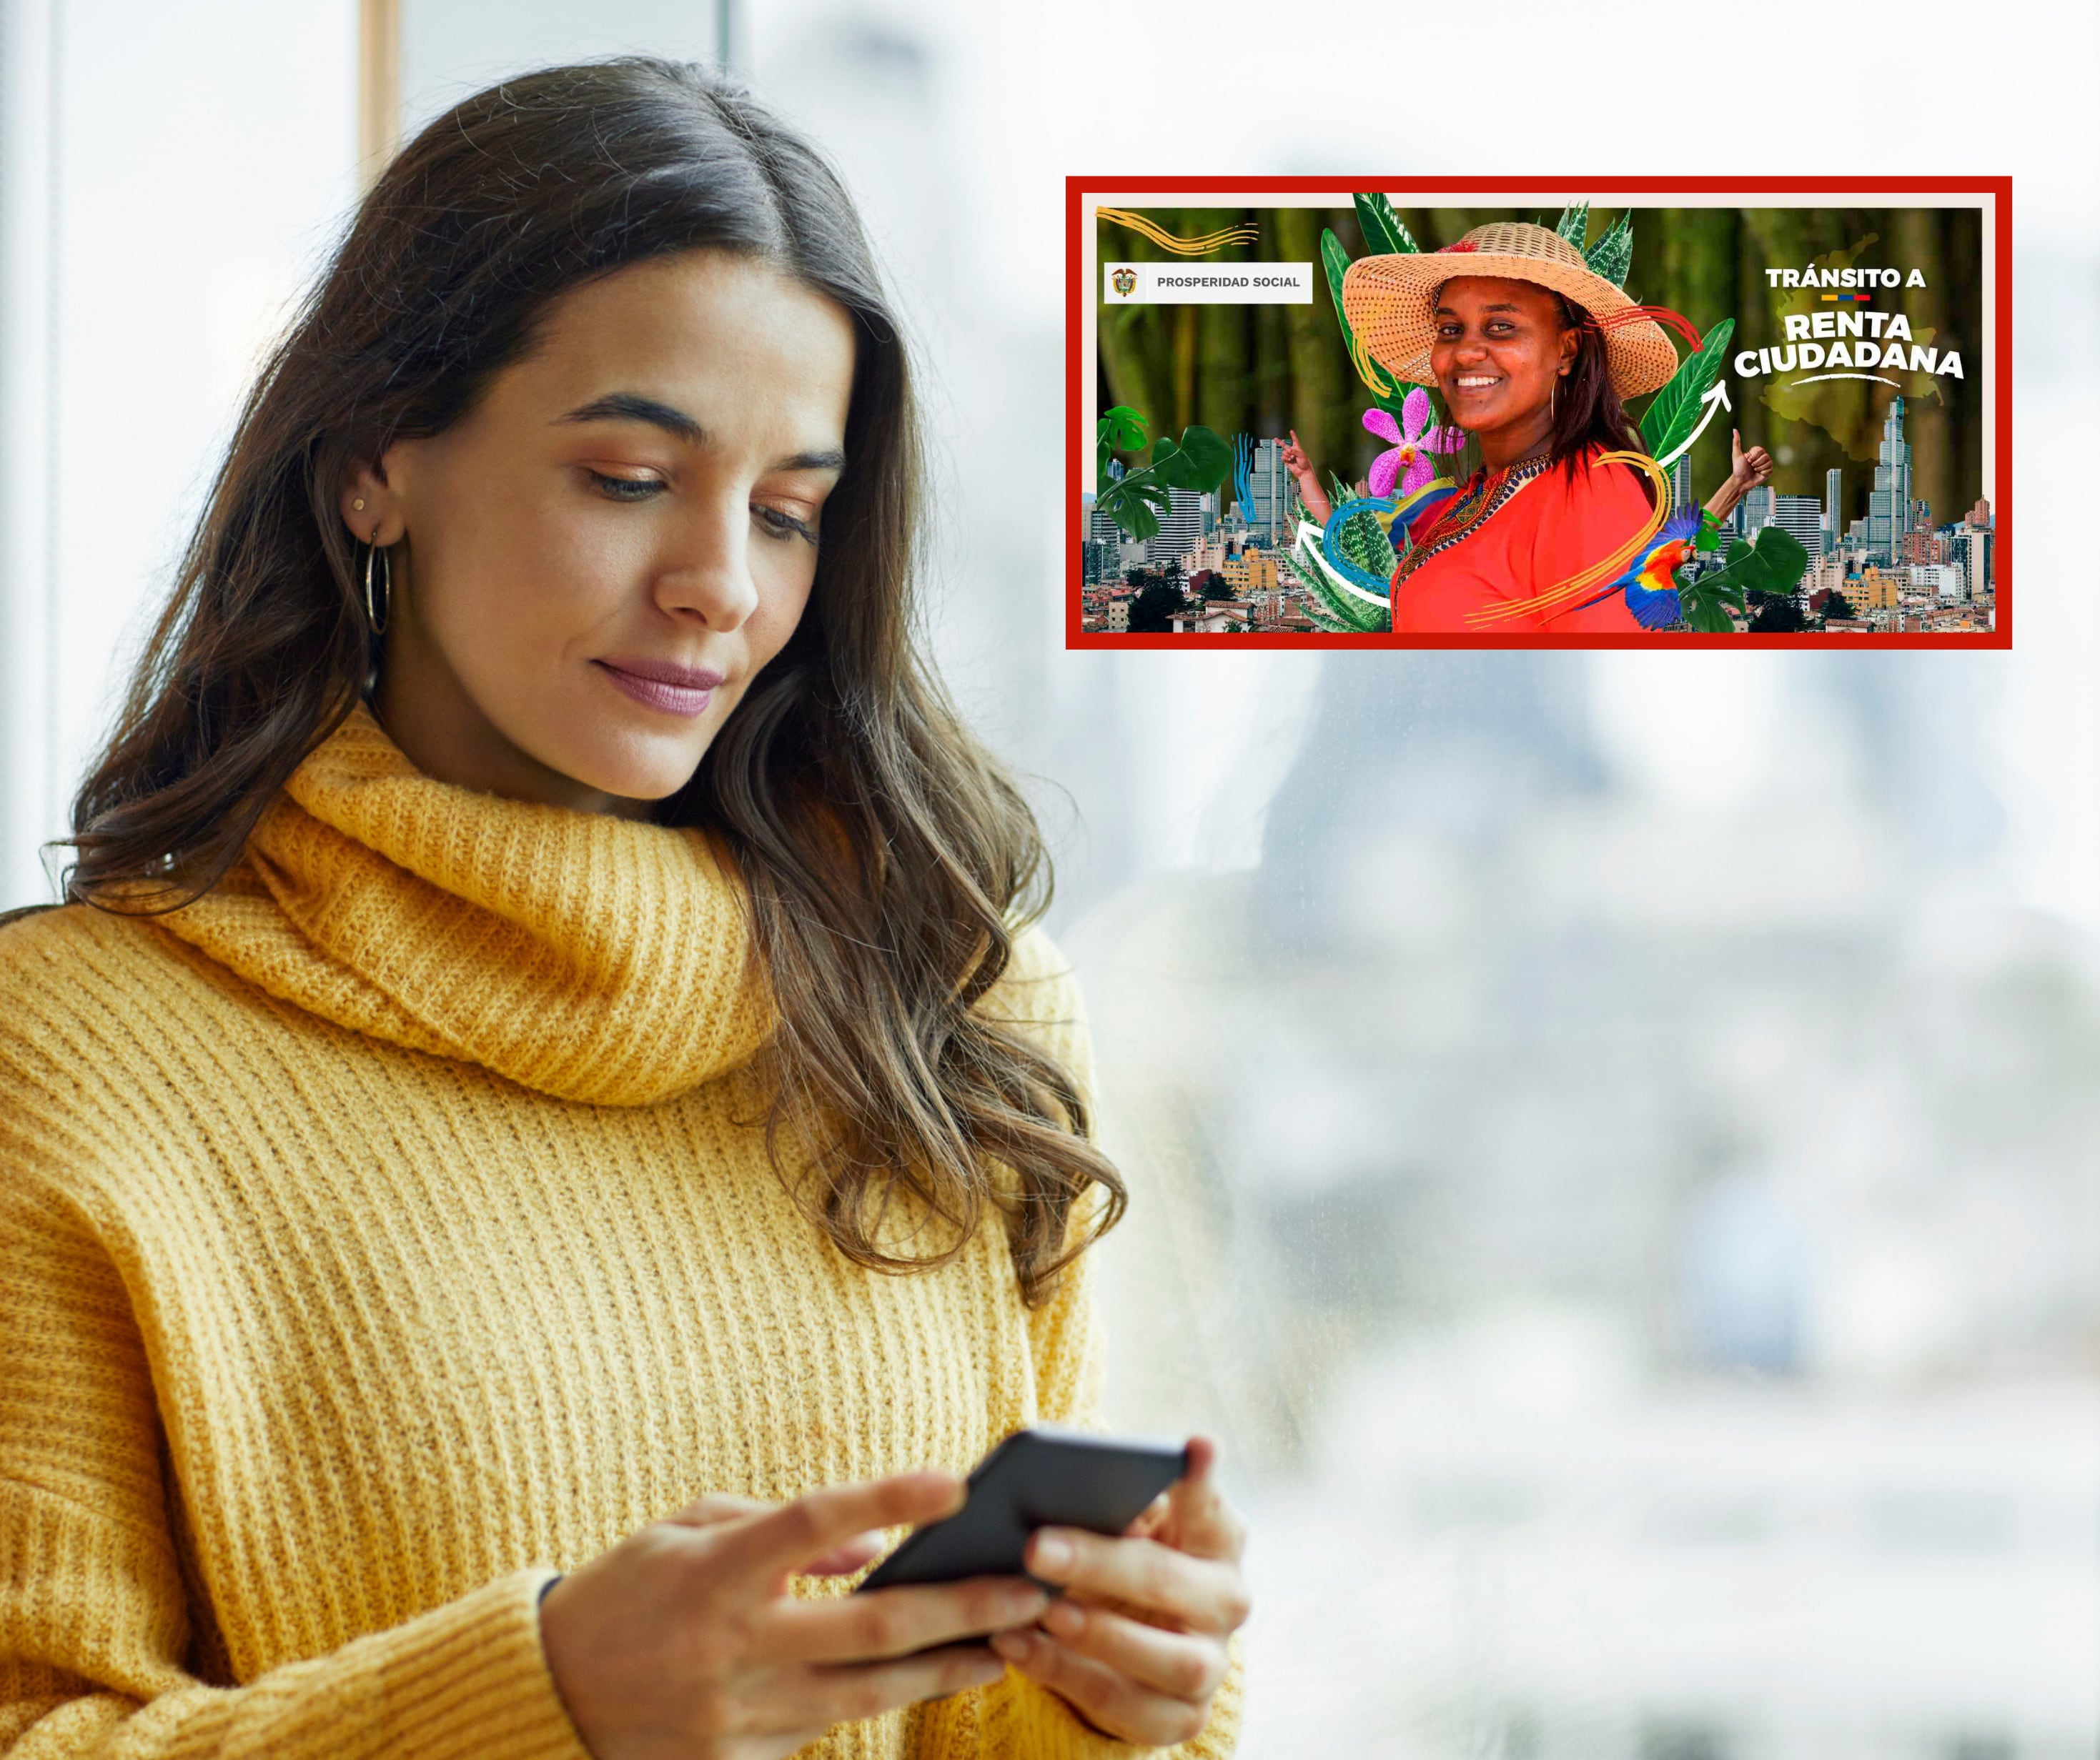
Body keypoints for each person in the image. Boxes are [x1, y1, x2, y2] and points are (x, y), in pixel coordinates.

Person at [0, 61, 1247, 1760]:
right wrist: (545, 1698)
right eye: (625, 475)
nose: (721, 582)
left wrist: (1118, 1707)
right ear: (377, 457)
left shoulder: (948, 1011)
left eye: (788, 510)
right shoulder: (69, 1055)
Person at [1295, 220, 1773, 634]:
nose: (1465, 352)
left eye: (1501, 327)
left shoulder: (1592, 496)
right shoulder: (1476, 495)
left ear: (1566, 351)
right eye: (1450, 329)